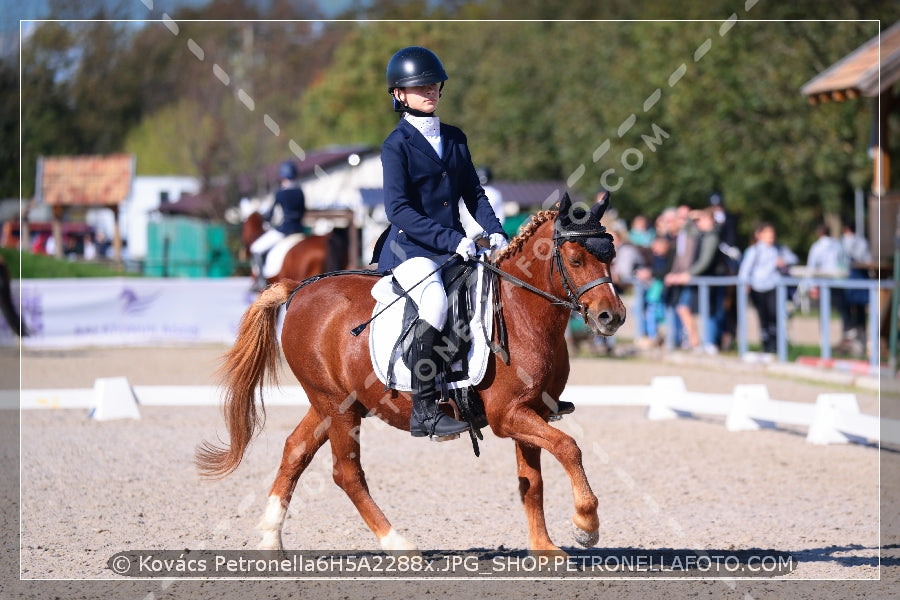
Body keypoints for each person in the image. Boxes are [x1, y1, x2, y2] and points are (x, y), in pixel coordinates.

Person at [373, 46, 509, 441]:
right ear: (399, 94)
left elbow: (474, 193)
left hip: (454, 246)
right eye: (419, 86)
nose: (429, 91)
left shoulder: (453, 137)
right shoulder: (394, 145)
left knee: (491, 294)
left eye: (433, 85)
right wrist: (454, 239)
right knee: (434, 302)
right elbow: (398, 209)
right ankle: (425, 410)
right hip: (410, 248)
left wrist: (495, 230)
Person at [664, 208, 722, 354]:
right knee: (684, 308)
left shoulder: (712, 236)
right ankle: (696, 342)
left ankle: (709, 343)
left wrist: (687, 274)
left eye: (701, 219)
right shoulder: (703, 234)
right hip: (699, 280)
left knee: (709, 312)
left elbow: (705, 262)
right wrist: (690, 218)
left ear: (709, 220)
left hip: (709, 281)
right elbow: (688, 230)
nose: (698, 223)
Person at [737, 222, 798, 354]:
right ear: (759, 235)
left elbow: (794, 258)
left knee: (775, 315)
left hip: (774, 287)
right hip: (758, 288)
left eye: (772, 234)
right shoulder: (754, 250)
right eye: (768, 234)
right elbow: (745, 270)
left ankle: (778, 344)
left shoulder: (779, 249)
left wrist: (784, 261)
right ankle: (767, 345)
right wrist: (745, 285)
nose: (771, 237)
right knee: (763, 317)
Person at [249, 160, 306, 291]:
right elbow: (303, 211)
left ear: (282, 176)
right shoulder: (300, 192)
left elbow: (272, 215)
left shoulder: (280, 193)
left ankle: (261, 281)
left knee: (256, 248)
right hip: (299, 229)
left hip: (284, 230)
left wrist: (266, 220)